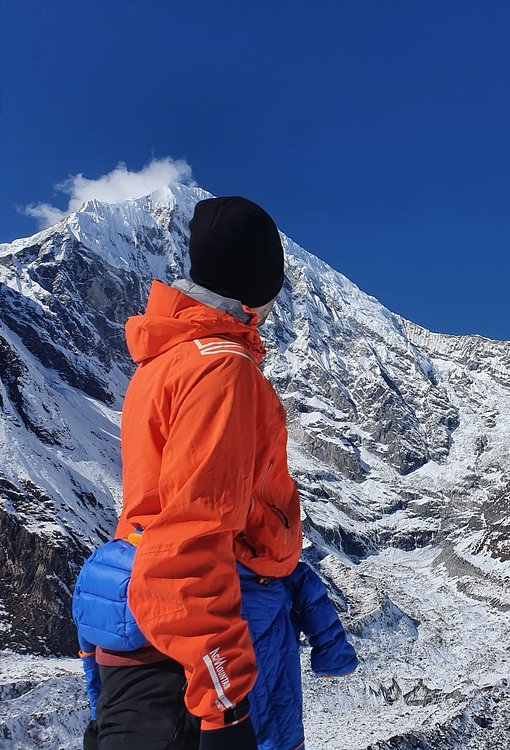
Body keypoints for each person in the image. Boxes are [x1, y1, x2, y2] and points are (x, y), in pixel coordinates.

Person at [77, 196, 355, 750]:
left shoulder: (164, 361)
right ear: (258, 288)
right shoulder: (223, 372)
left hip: (159, 624)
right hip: (222, 631)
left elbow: (158, 517)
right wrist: (223, 708)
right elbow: (189, 541)